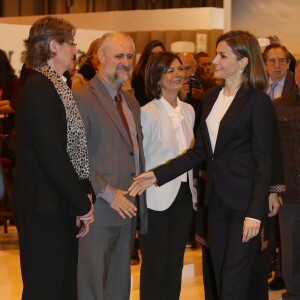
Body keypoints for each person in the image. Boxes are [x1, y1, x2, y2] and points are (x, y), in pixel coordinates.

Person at [129, 30, 276, 300]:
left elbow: (264, 162)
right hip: (216, 204)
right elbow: (199, 152)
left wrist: (255, 214)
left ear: (243, 62)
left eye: (223, 55)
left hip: (245, 206)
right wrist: (156, 175)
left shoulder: (257, 101)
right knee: (220, 273)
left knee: (233, 275)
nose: (216, 61)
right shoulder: (210, 97)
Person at [12, 16, 94, 300]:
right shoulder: (38, 88)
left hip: (54, 203)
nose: (75, 50)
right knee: (46, 288)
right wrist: (82, 203)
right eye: (71, 43)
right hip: (42, 206)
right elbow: (52, 155)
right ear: (53, 47)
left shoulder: (54, 85)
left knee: (60, 286)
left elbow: (67, 151)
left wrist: (81, 195)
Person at [73, 32, 148, 300]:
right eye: (118, 56)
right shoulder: (80, 98)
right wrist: (107, 191)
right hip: (98, 210)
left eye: (129, 56)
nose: (125, 62)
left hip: (128, 208)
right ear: (100, 58)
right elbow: (75, 156)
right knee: (91, 287)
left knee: (119, 286)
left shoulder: (131, 102)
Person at [138, 51, 197, 300]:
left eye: (180, 69)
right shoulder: (146, 112)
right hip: (155, 198)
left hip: (184, 195)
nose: (177, 75)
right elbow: (140, 158)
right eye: (170, 70)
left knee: (175, 262)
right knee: (155, 262)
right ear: (157, 76)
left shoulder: (189, 110)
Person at [272, 58, 300, 300]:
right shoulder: (278, 107)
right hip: (290, 190)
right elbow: (271, 151)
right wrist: (274, 189)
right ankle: (294, 291)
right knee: (291, 245)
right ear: (296, 76)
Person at [131, 39, 165, 106]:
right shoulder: (139, 75)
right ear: (147, 56)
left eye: (160, 54)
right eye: (153, 54)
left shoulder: (167, 73)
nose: (157, 57)